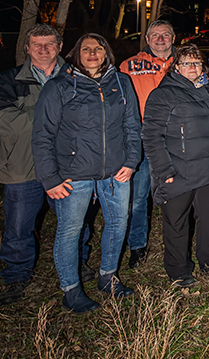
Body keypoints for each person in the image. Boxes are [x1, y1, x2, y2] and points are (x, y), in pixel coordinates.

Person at [32, 33, 141, 314]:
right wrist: (50, 179)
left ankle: (108, 276)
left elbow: (132, 126)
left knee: (118, 223)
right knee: (70, 231)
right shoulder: (59, 86)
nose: (93, 53)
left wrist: (131, 161)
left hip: (115, 171)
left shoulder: (121, 82)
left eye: (98, 48)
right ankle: (71, 290)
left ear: (107, 53)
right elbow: (42, 135)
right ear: (75, 53)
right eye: (86, 49)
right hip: (73, 174)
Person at [0, 24, 70, 304]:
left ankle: (78, 265)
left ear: (59, 46)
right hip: (22, 167)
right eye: (37, 44)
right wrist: (47, 116)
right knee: (19, 226)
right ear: (27, 48)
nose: (43, 49)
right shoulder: (10, 79)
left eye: (49, 44)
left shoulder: (74, 77)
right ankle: (17, 276)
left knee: (72, 221)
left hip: (65, 167)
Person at [142, 44, 209, 287]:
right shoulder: (164, 94)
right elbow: (150, 135)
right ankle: (178, 269)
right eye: (186, 63)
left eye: (196, 62)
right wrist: (164, 170)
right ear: (176, 67)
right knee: (177, 223)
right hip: (178, 170)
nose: (192, 67)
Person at [119, 18, 177, 267]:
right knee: (138, 195)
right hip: (142, 135)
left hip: (177, 135)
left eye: (165, 35)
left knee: (177, 192)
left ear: (173, 39)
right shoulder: (129, 66)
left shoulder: (185, 62)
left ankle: (177, 240)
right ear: (147, 39)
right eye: (155, 35)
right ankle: (137, 244)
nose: (160, 39)